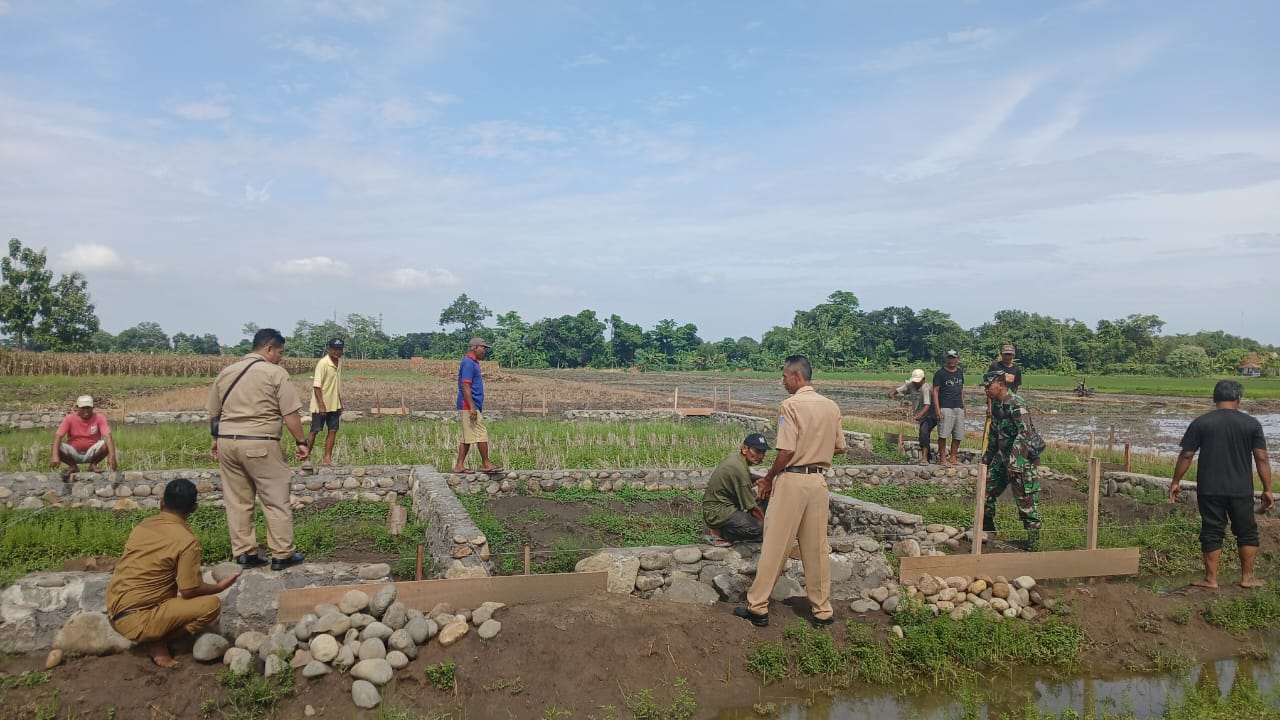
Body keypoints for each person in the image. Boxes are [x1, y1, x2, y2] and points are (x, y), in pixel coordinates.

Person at [735, 355, 845, 629]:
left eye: (784, 377)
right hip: (818, 483)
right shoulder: (831, 406)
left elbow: (787, 450)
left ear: (796, 377)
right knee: (816, 548)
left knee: (775, 545)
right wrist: (816, 449)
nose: (782, 381)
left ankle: (758, 606)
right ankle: (822, 611)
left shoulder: (790, 406)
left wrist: (769, 477)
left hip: (793, 481)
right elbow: (840, 446)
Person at [106, 478, 239, 668]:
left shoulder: (143, 525)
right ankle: (158, 641)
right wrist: (219, 586)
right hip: (139, 620)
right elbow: (189, 591)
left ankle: (154, 636)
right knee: (211, 605)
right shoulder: (187, 541)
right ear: (194, 508)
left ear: (161, 502)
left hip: (113, 611)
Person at [207, 328, 310, 571]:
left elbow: (214, 412)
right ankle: (282, 554)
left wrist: (215, 441)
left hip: (227, 442)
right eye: (280, 352)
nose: (281, 357)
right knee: (275, 498)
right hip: (260, 441)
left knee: (238, 499)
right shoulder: (275, 373)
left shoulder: (227, 373)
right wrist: (301, 442)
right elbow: (290, 414)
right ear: (268, 348)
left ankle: (244, 553)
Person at [1169, 380, 1274, 589]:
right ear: (1238, 399)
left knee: (1212, 530)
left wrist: (1176, 481)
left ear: (1214, 399)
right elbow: (1261, 458)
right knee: (1246, 532)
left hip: (1209, 488)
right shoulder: (1252, 424)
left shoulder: (1201, 422)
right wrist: (1267, 489)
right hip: (1241, 489)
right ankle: (1247, 578)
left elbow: (1187, 454)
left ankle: (1211, 579)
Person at [981, 369, 1041, 549]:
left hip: (1021, 460)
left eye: (988, 385)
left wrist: (1015, 462)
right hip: (1002, 458)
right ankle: (988, 530)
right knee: (986, 488)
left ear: (1000, 384)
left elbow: (1025, 434)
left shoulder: (1016, 403)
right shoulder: (997, 406)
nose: (986, 389)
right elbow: (994, 436)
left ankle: (1033, 543)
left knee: (1026, 501)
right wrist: (985, 460)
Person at [702, 433, 771, 546]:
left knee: (764, 499)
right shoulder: (739, 471)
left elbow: (749, 476)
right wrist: (768, 529)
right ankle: (723, 534)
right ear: (745, 449)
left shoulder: (737, 460)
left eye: (763, 452)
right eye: (757, 451)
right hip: (718, 512)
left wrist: (765, 480)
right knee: (760, 529)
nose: (761, 456)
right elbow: (752, 507)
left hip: (723, 508)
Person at [451, 337, 504, 474]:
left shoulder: (473, 362)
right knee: (481, 433)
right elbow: (465, 385)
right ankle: (486, 463)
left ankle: (459, 465)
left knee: (467, 438)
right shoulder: (468, 363)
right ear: (475, 347)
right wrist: (472, 407)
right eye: (483, 348)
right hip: (469, 405)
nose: (484, 351)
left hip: (470, 405)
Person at [50, 395, 119, 477]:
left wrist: (112, 456)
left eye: (88, 408)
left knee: (107, 443)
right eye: (83, 408)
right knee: (55, 446)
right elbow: (58, 437)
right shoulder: (69, 419)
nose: (86, 411)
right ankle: (72, 466)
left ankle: (93, 465)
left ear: (93, 407)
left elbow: (108, 436)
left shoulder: (99, 418)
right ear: (77, 407)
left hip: (92, 452)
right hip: (73, 452)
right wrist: (55, 456)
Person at [307, 337, 345, 467]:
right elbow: (317, 386)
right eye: (334, 349)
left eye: (339, 349)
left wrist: (340, 403)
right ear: (328, 349)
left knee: (333, 430)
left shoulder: (339, 363)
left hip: (334, 404)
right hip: (320, 405)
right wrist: (322, 405)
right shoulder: (323, 363)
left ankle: (327, 459)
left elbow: (336, 385)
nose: (336, 352)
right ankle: (306, 457)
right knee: (315, 430)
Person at [889, 369, 936, 465]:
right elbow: (899, 390)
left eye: (917, 382)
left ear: (923, 380)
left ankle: (924, 459)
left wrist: (919, 415)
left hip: (931, 415)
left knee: (924, 433)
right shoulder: (911, 385)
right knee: (923, 435)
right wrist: (893, 393)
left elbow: (927, 405)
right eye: (914, 382)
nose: (915, 384)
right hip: (921, 415)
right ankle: (927, 457)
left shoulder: (925, 388)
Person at [932, 350, 966, 467]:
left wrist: (963, 406)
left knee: (958, 434)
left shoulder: (960, 372)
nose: (951, 360)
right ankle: (942, 459)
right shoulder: (940, 374)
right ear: (946, 359)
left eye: (954, 358)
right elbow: (935, 392)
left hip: (958, 406)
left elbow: (961, 390)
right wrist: (937, 409)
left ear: (958, 359)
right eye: (949, 358)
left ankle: (953, 457)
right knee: (943, 434)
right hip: (945, 407)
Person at [986, 344, 1023, 418]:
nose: (1007, 357)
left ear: (1013, 355)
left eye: (1010, 354)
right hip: (996, 402)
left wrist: (1013, 401)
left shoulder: (1016, 369)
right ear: (1001, 355)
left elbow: (1015, 388)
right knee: (994, 426)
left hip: (1009, 402)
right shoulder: (995, 366)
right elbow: (988, 387)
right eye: (1006, 354)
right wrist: (989, 406)